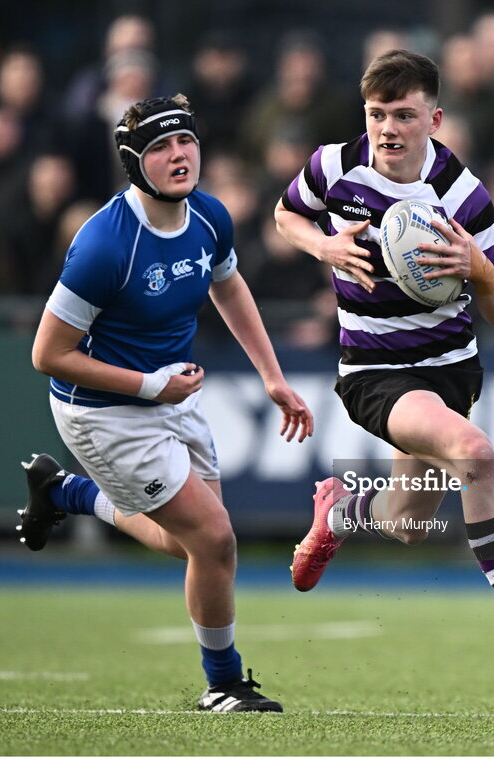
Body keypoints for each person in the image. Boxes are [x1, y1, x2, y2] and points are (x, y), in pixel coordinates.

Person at [274, 49, 494, 684]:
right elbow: (286, 214)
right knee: (475, 454)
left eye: (403, 115)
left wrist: (477, 265)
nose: (387, 128)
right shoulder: (334, 165)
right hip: (375, 370)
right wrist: (324, 245)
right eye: (376, 115)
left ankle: (338, 516)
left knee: (408, 522)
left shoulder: (462, 194)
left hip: (449, 369)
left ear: (435, 118)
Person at [19, 94, 313, 713]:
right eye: (159, 148)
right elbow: (47, 354)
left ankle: (67, 494)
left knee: (195, 546)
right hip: (102, 409)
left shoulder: (209, 216)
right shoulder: (104, 245)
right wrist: (152, 386)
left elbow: (229, 285)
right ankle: (223, 684)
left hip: (170, 395)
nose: (179, 155)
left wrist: (272, 376)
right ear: (133, 162)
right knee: (214, 541)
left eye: (186, 142)